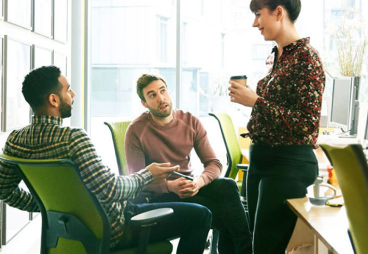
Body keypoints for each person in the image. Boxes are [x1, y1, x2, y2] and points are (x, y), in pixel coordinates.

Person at [0, 66, 212, 254]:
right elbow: (111, 190)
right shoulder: (73, 139)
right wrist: (148, 174)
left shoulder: (15, 141)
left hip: (72, 230)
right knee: (201, 216)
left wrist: (48, 206)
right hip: (115, 229)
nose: (73, 94)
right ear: (53, 100)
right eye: (67, 90)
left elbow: (3, 190)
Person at [228, 0, 325, 253]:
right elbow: (278, 110)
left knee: (267, 247)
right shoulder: (277, 55)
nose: (254, 23)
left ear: (278, 12)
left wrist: (256, 102)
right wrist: (255, 100)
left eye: (258, 15)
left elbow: (306, 125)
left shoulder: (307, 58)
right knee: (257, 244)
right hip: (262, 161)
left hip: (287, 164)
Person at [125, 73, 252, 254]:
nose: (161, 98)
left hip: (190, 186)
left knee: (228, 186)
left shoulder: (189, 121)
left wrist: (198, 182)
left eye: (163, 91)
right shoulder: (136, 130)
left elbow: (214, 163)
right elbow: (136, 180)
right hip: (159, 196)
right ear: (144, 103)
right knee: (228, 214)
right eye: (152, 95)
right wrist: (170, 186)